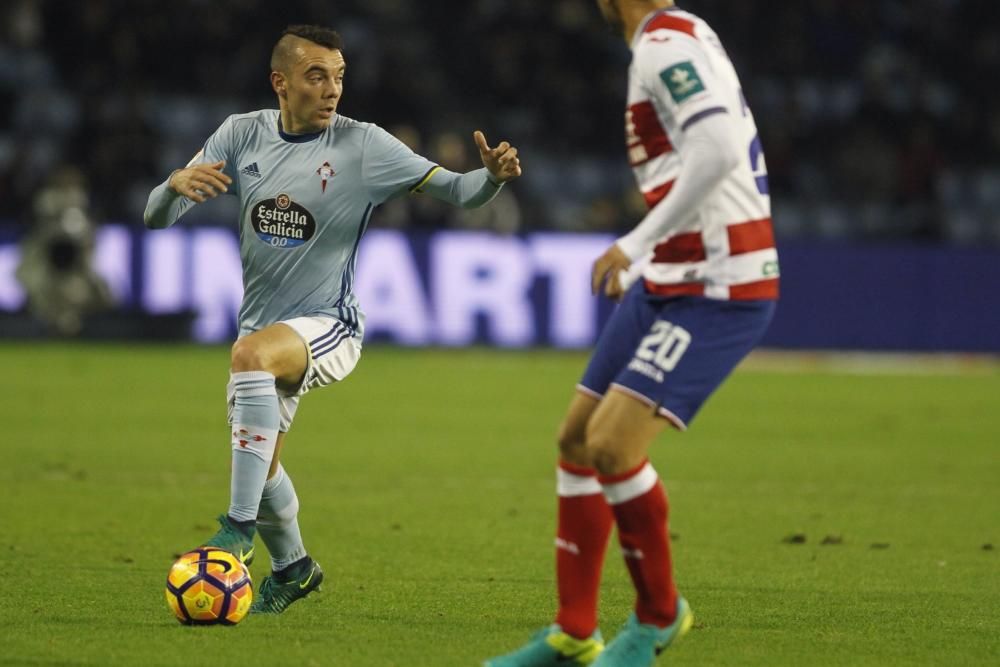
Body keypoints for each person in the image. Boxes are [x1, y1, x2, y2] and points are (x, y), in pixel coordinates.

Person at [144, 24, 521, 615]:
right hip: (262, 326)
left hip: (330, 323)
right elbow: (154, 218)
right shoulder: (240, 135)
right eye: (317, 76)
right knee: (261, 460)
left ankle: (237, 533)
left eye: (339, 77)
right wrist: (171, 186)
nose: (332, 90)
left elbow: (458, 191)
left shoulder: (364, 145)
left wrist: (492, 178)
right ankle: (293, 567)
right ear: (281, 82)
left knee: (249, 361)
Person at [484, 2, 777, 666]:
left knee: (613, 444)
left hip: (719, 283)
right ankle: (573, 631)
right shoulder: (681, 34)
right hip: (672, 273)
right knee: (576, 438)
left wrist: (635, 241)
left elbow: (720, 150)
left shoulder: (662, 46)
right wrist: (653, 255)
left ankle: (658, 615)